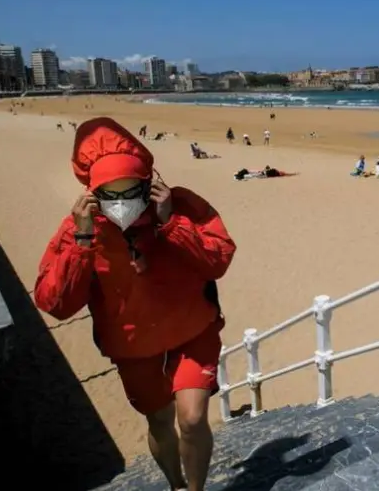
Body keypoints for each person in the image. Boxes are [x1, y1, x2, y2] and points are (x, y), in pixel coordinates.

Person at [34, 117, 236, 491]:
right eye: (110, 193)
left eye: (131, 189)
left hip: (193, 330)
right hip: (132, 344)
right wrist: (82, 241)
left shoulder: (181, 206)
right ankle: (175, 484)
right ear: (92, 193)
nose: (122, 201)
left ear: (149, 182)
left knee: (192, 419)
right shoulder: (80, 228)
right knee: (159, 420)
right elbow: (55, 303)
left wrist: (170, 223)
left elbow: (217, 261)